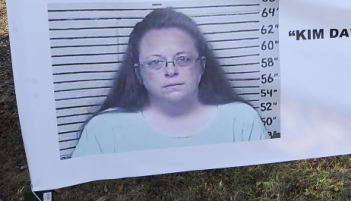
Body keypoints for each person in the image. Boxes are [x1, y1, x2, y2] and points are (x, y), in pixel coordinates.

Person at [72, 8, 269, 156]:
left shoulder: (241, 120)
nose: (171, 71)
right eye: (155, 62)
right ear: (138, 73)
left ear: (201, 65)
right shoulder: (104, 129)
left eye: (182, 59)